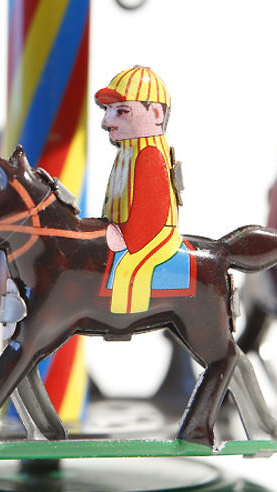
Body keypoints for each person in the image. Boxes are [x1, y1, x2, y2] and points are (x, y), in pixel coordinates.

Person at [95, 66, 181, 314]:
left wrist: (126, 239)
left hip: (149, 237)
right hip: (119, 230)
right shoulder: (128, 151)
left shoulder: (149, 153)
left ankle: (124, 316)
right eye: (107, 110)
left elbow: (151, 211)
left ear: (155, 113)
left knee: (125, 271)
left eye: (121, 111)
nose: (107, 121)